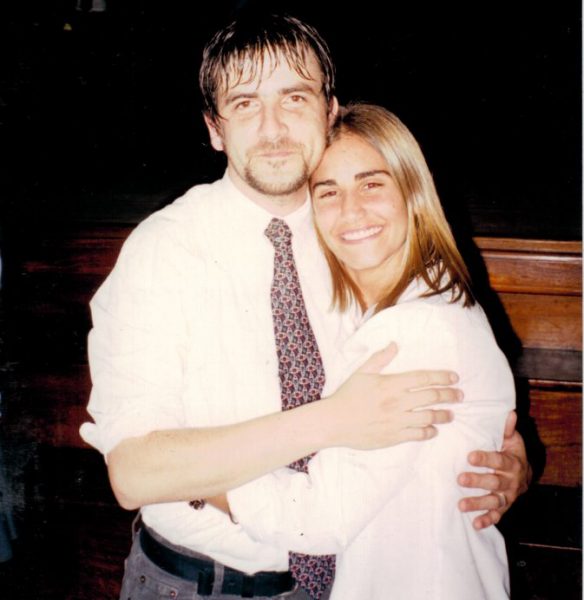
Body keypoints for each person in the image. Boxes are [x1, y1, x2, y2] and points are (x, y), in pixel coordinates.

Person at [79, 13, 530, 600]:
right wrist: (330, 419)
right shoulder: (164, 251)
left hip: (346, 581)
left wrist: (495, 459)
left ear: (329, 110)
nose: (273, 129)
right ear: (215, 128)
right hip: (200, 586)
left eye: (294, 97)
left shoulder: (356, 234)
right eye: (245, 104)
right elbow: (134, 473)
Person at [218, 103, 514, 598]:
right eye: (328, 192)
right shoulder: (393, 305)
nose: (351, 211)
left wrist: (197, 480)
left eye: (371, 184)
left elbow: (319, 519)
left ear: (412, 192)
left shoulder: (415, 329)